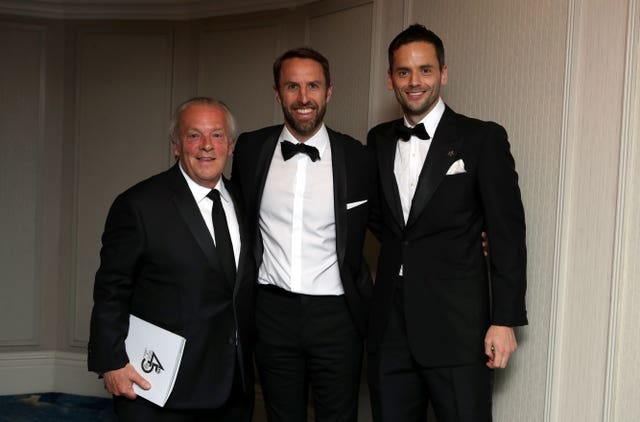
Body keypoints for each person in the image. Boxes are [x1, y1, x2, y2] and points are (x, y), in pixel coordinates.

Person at [366, 24, 528, 422]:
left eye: (425, 70)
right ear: (390, 79)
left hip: (459, 328)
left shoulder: (482, 138)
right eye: (403, 72)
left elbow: (507, 234)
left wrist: (504, 320)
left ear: (444, 73)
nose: (414, 81)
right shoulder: (378, 140)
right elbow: (378, 219)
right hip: (389, 326)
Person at [87, 97, 255, 421]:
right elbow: (111, 289)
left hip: (233, 386)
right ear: (176, 145)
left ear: (231, 145)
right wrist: (111, 362)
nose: (207, 146)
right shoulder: (139, 205)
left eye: (217, 135)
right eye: (194, 135)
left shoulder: (244, 201)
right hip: (158, 389)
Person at [231, 47, 376, 422]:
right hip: (271, 310)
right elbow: (230, 212)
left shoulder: (358, 158)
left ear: (329, 92)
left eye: (313, 85)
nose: (303, 97)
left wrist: (471, 234)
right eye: (292, 86)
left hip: (337, 314)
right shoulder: (250, 149)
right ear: (278, 94)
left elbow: (393, 222)